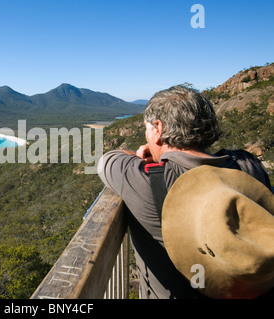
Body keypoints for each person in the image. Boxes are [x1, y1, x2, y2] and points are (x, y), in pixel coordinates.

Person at [97, 84, 272, 299]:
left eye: (147, 128)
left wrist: (144, 153)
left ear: (158, 129)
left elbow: (108, 159)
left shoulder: (150, 182)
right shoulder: (248, 166)